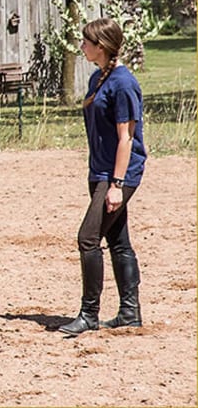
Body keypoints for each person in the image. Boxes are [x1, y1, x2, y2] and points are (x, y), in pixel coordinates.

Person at [58, 17, 146, 335]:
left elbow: (127, 138)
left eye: (86, 41)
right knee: (118, 240)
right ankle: (129, 313)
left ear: (102, 46)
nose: (82, 46)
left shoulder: (123, 83)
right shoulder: (98, 78)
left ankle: (89, 314)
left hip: (118, 174)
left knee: (88, 238)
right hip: (100, 171)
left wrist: (117, 186)